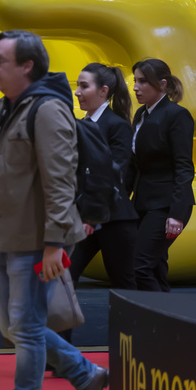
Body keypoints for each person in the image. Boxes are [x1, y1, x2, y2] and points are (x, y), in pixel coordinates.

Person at [0, 31, 108, 390]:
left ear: (27, 66)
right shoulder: (6, 106)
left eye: (0, 61)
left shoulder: (48, 110)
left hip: (35, 240)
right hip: (7, 237)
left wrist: (54, 243)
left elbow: (60, 180)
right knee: (14, 326)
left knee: (27, 329)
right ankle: (86, 374)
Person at [68, 63, 138, 290]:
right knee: (63, 276)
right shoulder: (80, 125)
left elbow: (116, 172)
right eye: (77, 86)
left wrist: (91, 213)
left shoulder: (117, 126)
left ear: (104, 91)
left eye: (83, 86)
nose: (77, 92)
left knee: (124, 286)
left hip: (113, 219)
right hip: (85, 216)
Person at [130, 58, 194, 292]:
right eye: (135, 81)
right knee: (154, 267)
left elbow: (184, 166)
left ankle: (157, 323)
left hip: (167, 205)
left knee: (139, 266)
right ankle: (165, 320)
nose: (136, 87)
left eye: (143, 81)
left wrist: (176, 213)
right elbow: (135, 165)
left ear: (163, 84)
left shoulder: (177, 115)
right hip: (143, 202)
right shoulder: (140, 115)